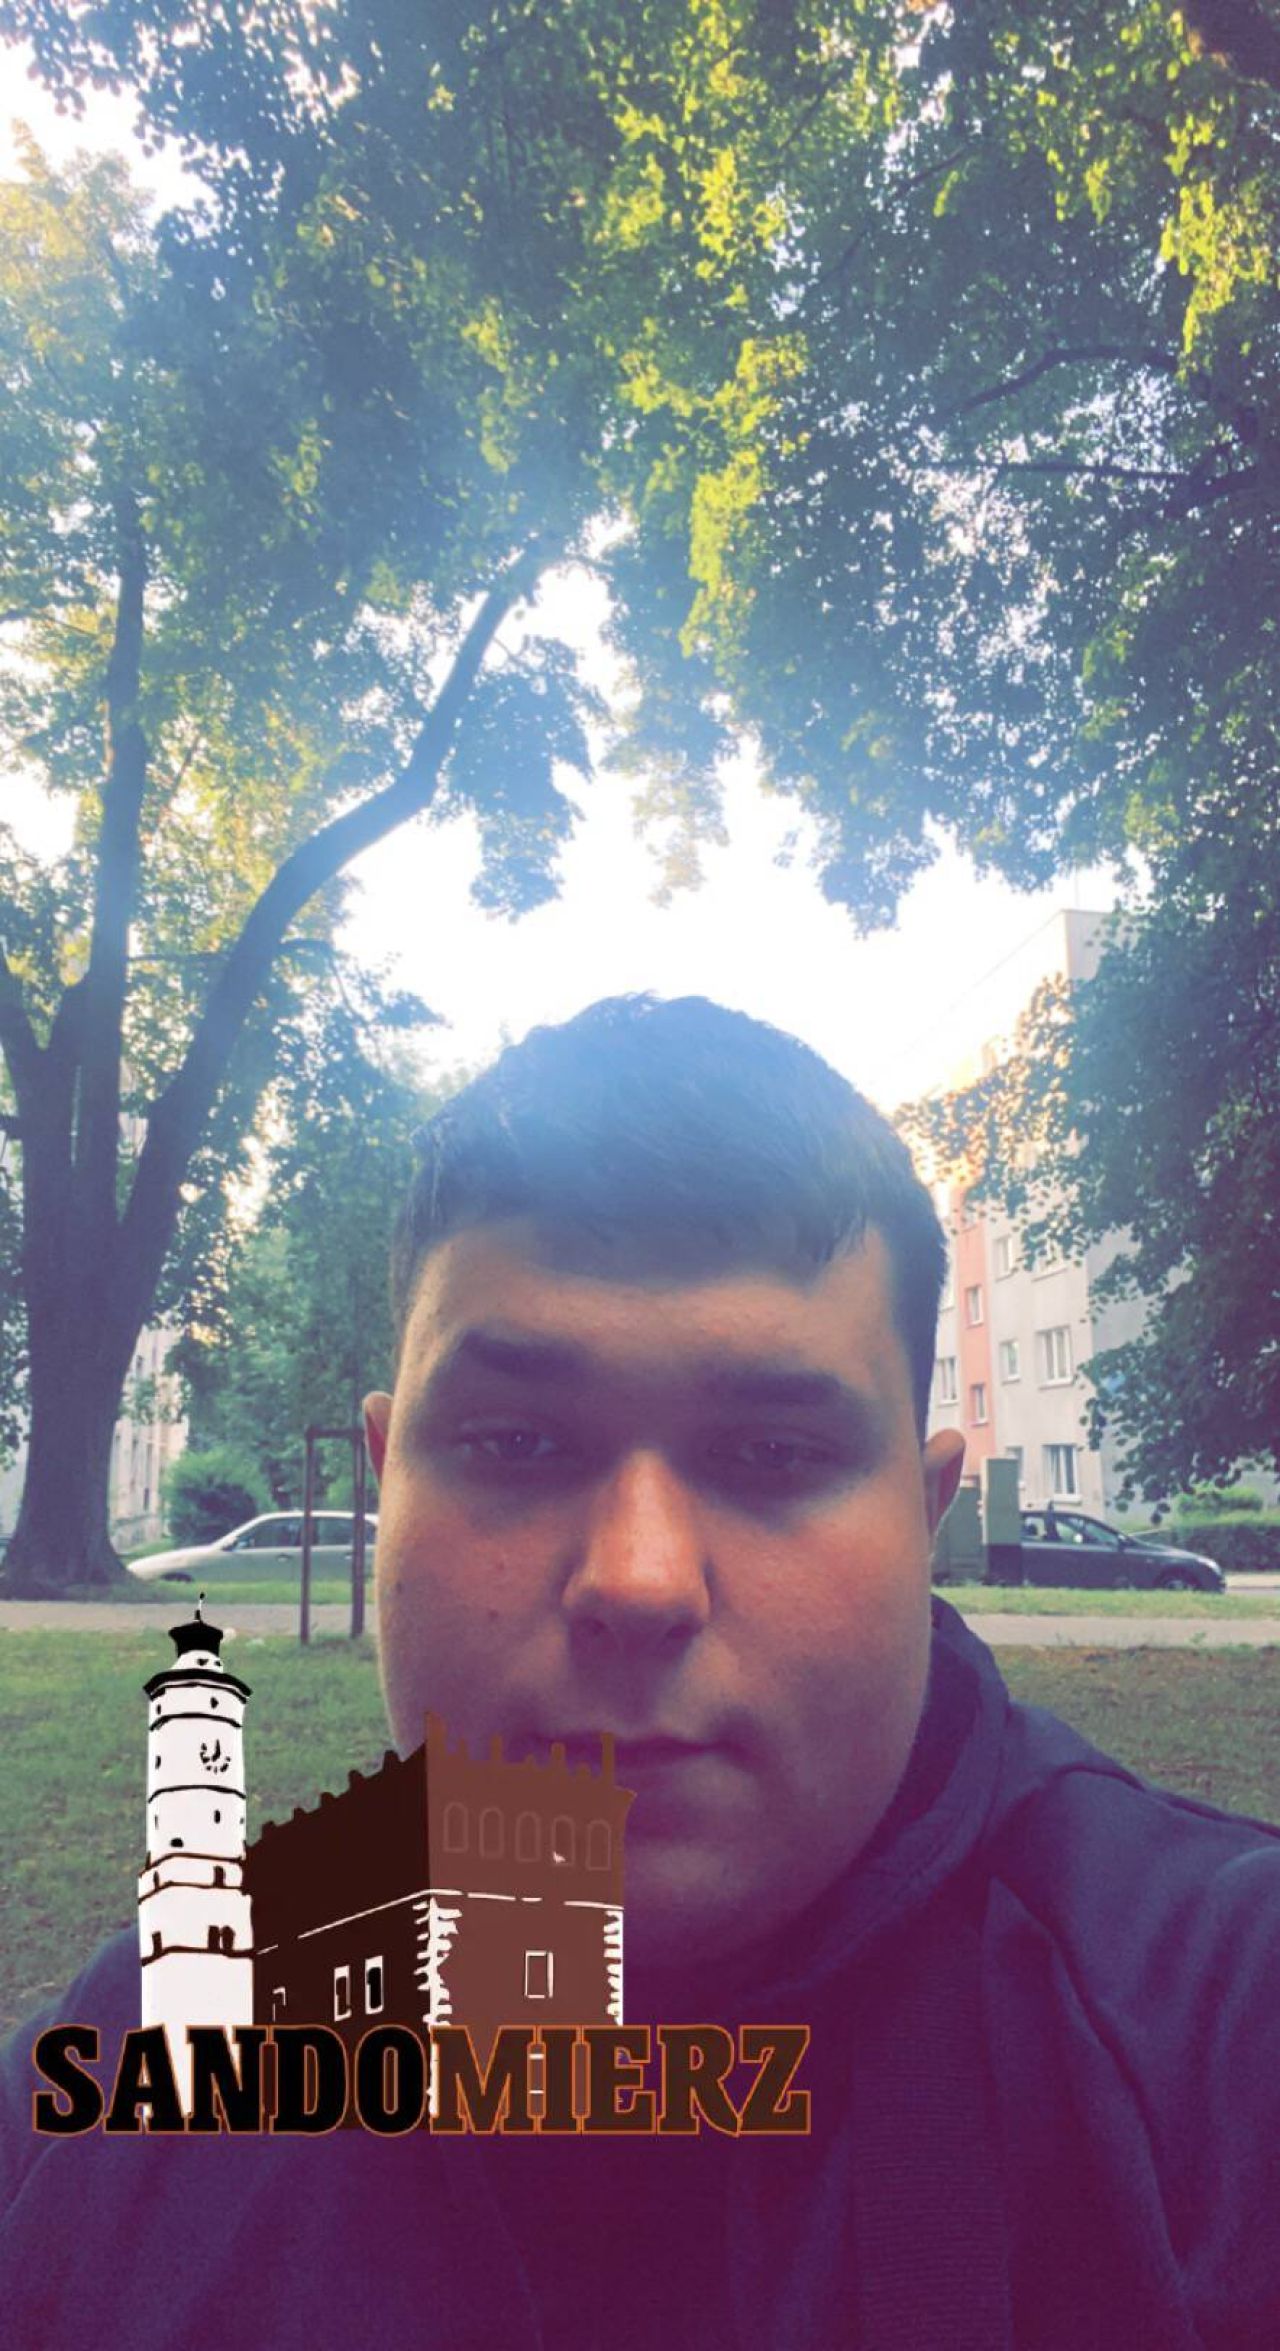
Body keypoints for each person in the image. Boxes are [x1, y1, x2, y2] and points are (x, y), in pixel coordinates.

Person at [3, 991, 1280, 2349]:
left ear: (924, 1518)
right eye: (515, 1443)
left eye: (773, 1454)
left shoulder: (1219, 2037)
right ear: (387, 1488)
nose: (638, 1580)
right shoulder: (139, 2075)